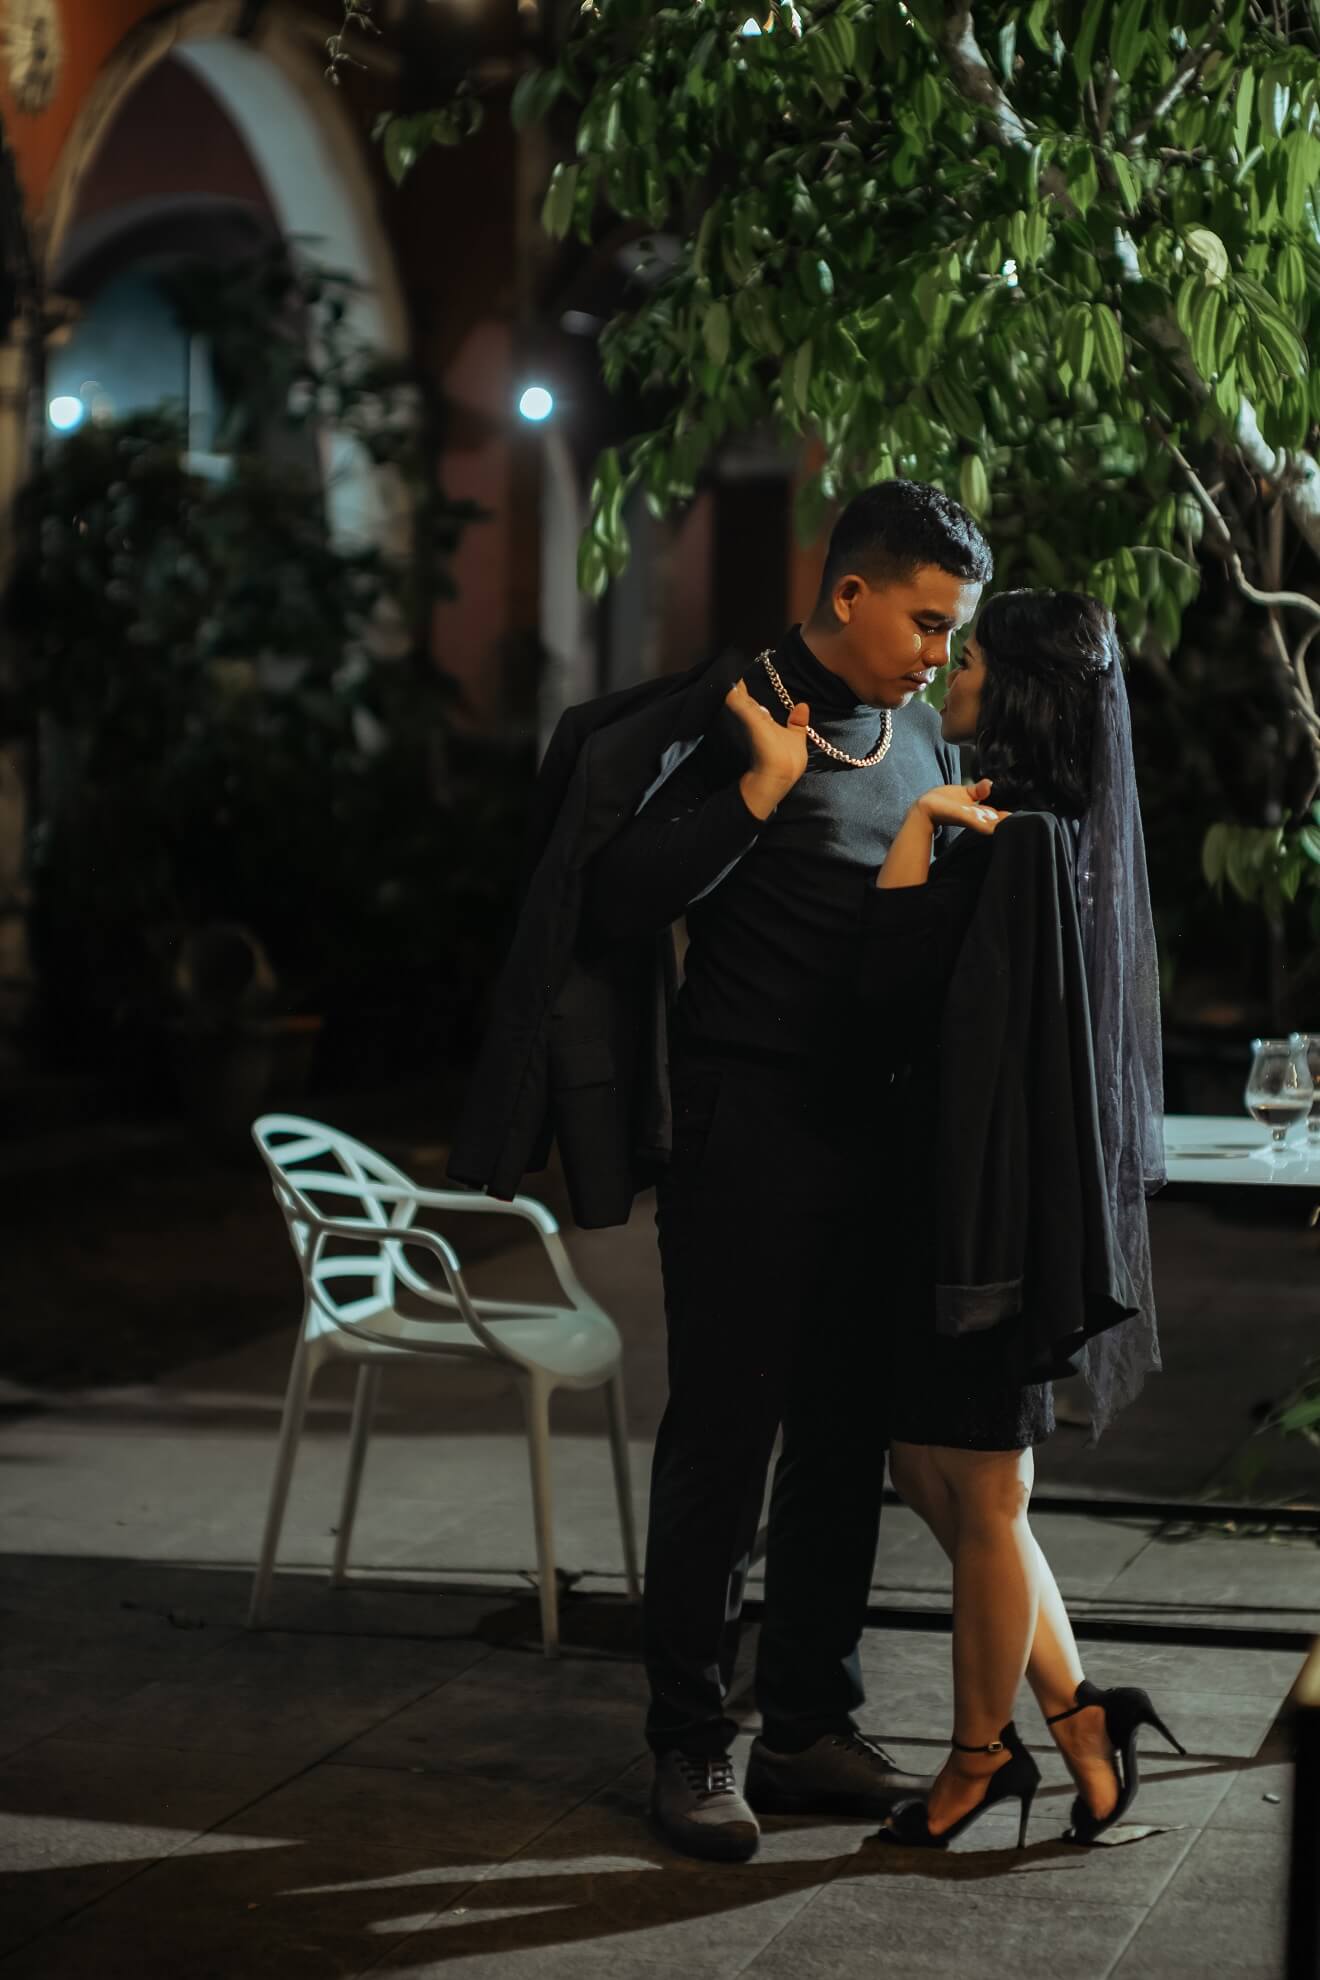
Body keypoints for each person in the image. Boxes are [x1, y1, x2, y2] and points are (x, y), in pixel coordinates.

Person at [578, 481, 993, 1861]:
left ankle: (807, 1722)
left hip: (873, 1128)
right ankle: (689, 1740)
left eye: (955, 629)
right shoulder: (740, 707)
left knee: (840, 1441)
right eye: (925, 622)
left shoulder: (915, 726)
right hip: (745, 1120)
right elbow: (619, 896)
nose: (939, 652)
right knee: (726, 1435)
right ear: (851, 592)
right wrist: (757, 788)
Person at [859, 590, 1183, 1851]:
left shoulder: (1018, 840)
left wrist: (914, 831)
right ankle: (1084, 1724)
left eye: (972, 657)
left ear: (1021, 691)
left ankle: (979, 1760)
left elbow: (893, 1002)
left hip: (985, 1224)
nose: (950, 671)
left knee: (985, 1494)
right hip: (974, 1210)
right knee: (933, 1476)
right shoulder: (1041, 830)